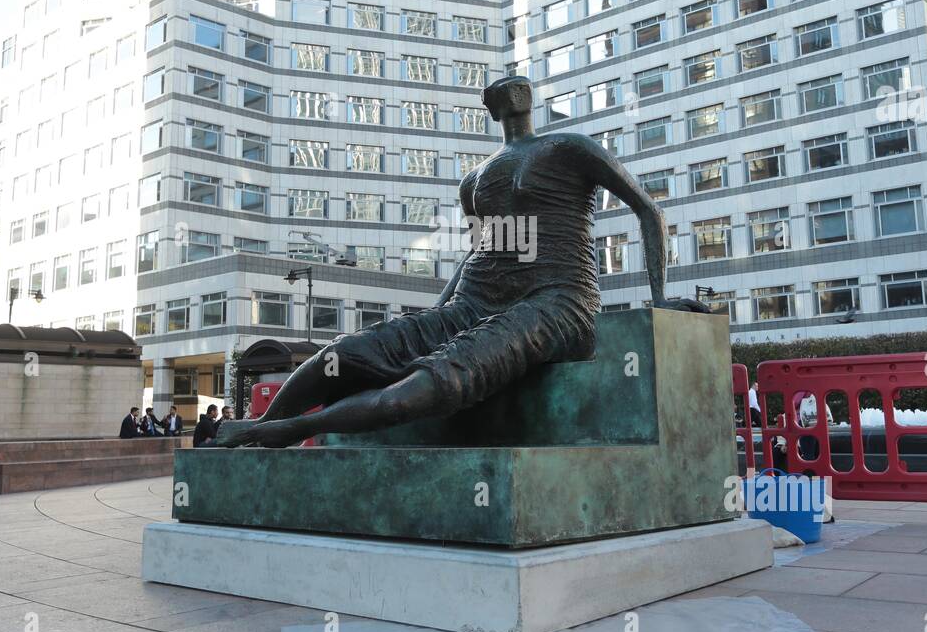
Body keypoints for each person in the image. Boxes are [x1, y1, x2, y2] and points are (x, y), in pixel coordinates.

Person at [219, 76, 707, 450]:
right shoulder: (473, 181)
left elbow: (648, 209)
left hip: (556, 302)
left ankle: (288, 430)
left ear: (529, 99)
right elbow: (479, 250)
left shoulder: (569, 148)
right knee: (344, 353)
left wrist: (661, 298)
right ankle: (259, 427)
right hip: (474, 301)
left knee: (425, 385)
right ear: (492, 109)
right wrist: (434, 313)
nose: (512, 94)